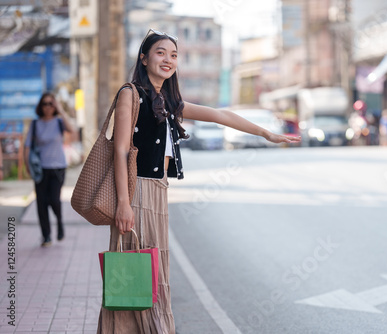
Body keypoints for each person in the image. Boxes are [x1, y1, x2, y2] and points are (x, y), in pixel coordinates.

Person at [97, 29, 300, 334]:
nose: (168, 60)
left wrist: (265, 133)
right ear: (144, 57)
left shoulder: (166, 100)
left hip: (158, 192)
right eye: (161, 52)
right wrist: (124, 203)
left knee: (154, 275)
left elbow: (219, 115)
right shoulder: (132, 94)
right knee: (135, 273)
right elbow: (122, 150)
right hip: (136, 191)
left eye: (174, 55)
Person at [24, 93, 75, 247]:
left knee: (54, 199)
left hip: (58, 167)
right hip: (40, 169)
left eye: (51, 104)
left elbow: (71, 129)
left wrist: (61, 110)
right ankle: (46, 236)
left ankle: (59, 222)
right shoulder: (35, 124)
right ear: (41, 106)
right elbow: (27, 147)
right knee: (41, 203)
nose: (48, 107)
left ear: (55, 106)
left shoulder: (59, 122)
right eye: (45, 103)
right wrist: (27, 166)